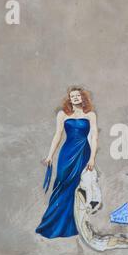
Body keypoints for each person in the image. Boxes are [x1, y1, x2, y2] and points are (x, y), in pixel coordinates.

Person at [36, 86, 98, 238]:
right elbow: (57, 135)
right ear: (69, 99)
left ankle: (71, 225)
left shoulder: (90, 115)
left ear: (82, 97)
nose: (75, 98)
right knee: (62, 183)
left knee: (75, 186)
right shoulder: (62, 114)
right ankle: (52, 224)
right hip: (67, 152)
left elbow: (95, 137)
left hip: (83, 151)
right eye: (72, 96)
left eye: (78, 95)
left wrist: (92, 158)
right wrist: (50, 155)